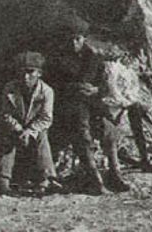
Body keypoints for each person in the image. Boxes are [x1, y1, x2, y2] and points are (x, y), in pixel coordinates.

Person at [46, 14, 130, 194]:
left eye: (77, 38)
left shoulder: (93, 58)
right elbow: (52, 86)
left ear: (84, 38)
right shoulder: (57, 60)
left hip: (92, 103)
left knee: (109, 130)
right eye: (70, 39)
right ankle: (95, 179)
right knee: (81, 130)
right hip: (68, 105)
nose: (73, 43)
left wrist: (95, 90)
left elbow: (104, 85)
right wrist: (74, 87)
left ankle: (115, 174)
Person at [0, 52, 57, 195]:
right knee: (7, 136)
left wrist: (30, 131)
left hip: (34, 128)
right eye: (22, 72)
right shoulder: (10, 88)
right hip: (16, 127)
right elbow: (6, 114)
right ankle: (3, 179)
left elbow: (46, 118)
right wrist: (18, 129)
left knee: (42, 136)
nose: (25, 77)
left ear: (39, 73)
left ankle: (46, 178)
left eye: (30, 72)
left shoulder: (47, 91)